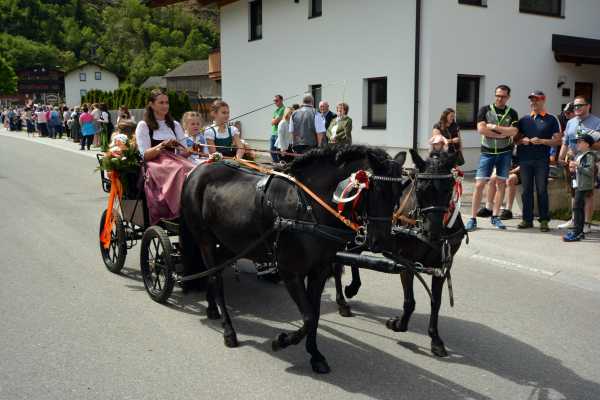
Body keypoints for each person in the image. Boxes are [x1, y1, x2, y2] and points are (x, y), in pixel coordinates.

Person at [135, 88, 195, 224]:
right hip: (155, 163)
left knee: (194, 168)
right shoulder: (143, 125)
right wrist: (162, 145)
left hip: (175, 160)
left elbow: (183, 151)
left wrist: (190, 150)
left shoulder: (174, 125)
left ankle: (192, 204)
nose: (165, 106)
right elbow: (144, 155)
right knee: (179, 170)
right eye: (161, 102)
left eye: (167, 102)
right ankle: (177, 208)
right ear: (151, 104)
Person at [466, 85, 519, 231]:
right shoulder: (485, 110)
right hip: (487, 152)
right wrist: (501, 134)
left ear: (508, 97)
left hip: (505, 152)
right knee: (479, 184)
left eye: (502, 96)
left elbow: (514, 131)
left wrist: (494, 126)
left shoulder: (512, 113)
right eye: (497, 95)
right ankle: (472, 218)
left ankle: (495, 216)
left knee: (501, 183)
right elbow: (481, 129)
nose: (499, 98)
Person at [515, 90, 562, 231]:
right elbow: (515, 139)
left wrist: (541, 141)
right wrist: (521, 140)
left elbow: (558, 141)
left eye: (536, 99)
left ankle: (544, 221)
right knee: (526, 190)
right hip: (525, 160)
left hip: (542, 160)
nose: (533, 102)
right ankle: (527, 220)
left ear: (543, 100)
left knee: (542, 190)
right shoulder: (523, 120)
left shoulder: (552, 119)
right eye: (531, 100)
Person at [557, 96, 600, 232]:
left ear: (588, 106)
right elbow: (566, 141)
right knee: (574, 191)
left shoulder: (597, 122)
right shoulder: (571, 122)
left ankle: (586, 223)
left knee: (587, 193)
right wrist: (561, 156)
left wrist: (586, 146)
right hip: (571, 162)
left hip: (588, 161)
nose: (577, 108)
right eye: (575, 106)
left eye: (580, 105)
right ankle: (575, 220)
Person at [563, 133, 597, 242]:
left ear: (587, 144)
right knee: (578, 208)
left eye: (579, 142)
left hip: (583, 185)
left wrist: (578, 166)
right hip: (578, 183)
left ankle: (577, 232)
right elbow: (579, 169)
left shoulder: (589, 156)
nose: (577, 144)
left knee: (577, 208)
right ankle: (579, 231)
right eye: (577, 142)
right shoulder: (579, 155)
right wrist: (573, 168)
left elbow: (590, 171)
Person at [270, 95, 285, 162]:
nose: (275, 102)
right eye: (274, 101)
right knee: (272, 151)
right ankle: (276, 164)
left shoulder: (283, 109)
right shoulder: (276, 110)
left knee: (278, 152)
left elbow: (276, 121)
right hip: (273, 133)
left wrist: (274, 121)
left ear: (281, 100)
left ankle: (279, 164)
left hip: (278, 134)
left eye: (276, 100)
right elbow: (272, 122)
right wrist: (274, 121)